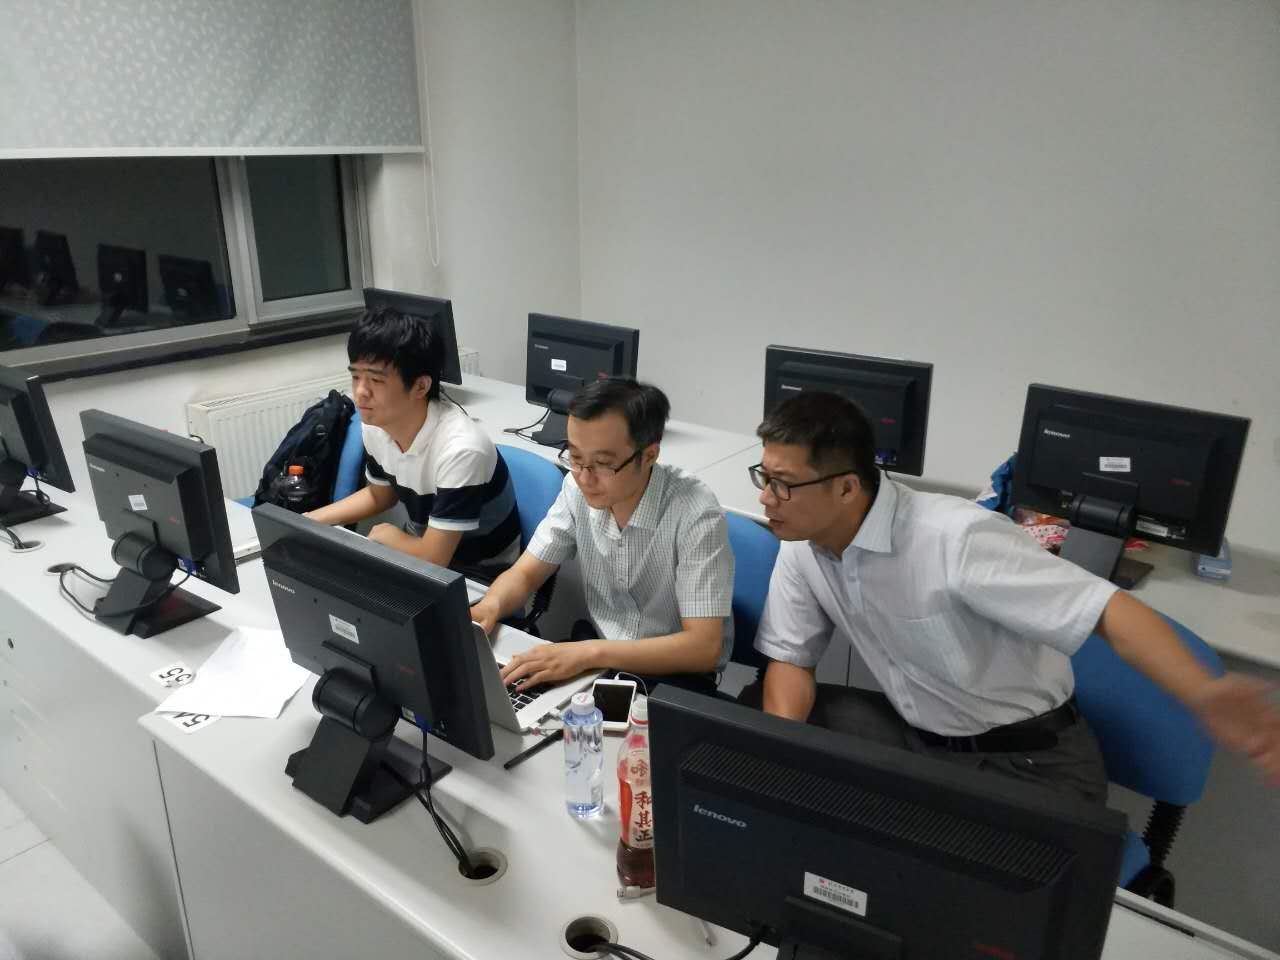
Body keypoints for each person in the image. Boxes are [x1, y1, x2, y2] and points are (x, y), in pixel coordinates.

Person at [746, 390, 1280, 803]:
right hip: (919, 738)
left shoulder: (954, 539)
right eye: (763, 478)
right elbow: (793, 658)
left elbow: (1108, 610)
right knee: (755, 723)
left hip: (1027, 762)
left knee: (937, 887)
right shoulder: (804, 540)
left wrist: (1202, 693)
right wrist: (778, 752)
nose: (768, 499)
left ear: (846, 487)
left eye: (783, 483)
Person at [469, 378, 734, 694]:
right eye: (575, 457)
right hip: (600, 659)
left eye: (603, 464)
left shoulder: (695, 512)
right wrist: (491, 606)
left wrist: (589, 653)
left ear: (649, 455)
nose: (584, 477)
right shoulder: (576, 488)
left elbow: (703, 648)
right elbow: (526, 574)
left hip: (673, 676)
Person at [306, 306, 519, 569]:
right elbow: (380, 495)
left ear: (420, 386)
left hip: (480, 575)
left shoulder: (461, 450)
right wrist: (309, 521)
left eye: (376, 380)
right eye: (356, 376)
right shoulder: (377, 426)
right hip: (420, 552)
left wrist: (389, 535)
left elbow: (434, 558)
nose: (360, 392)